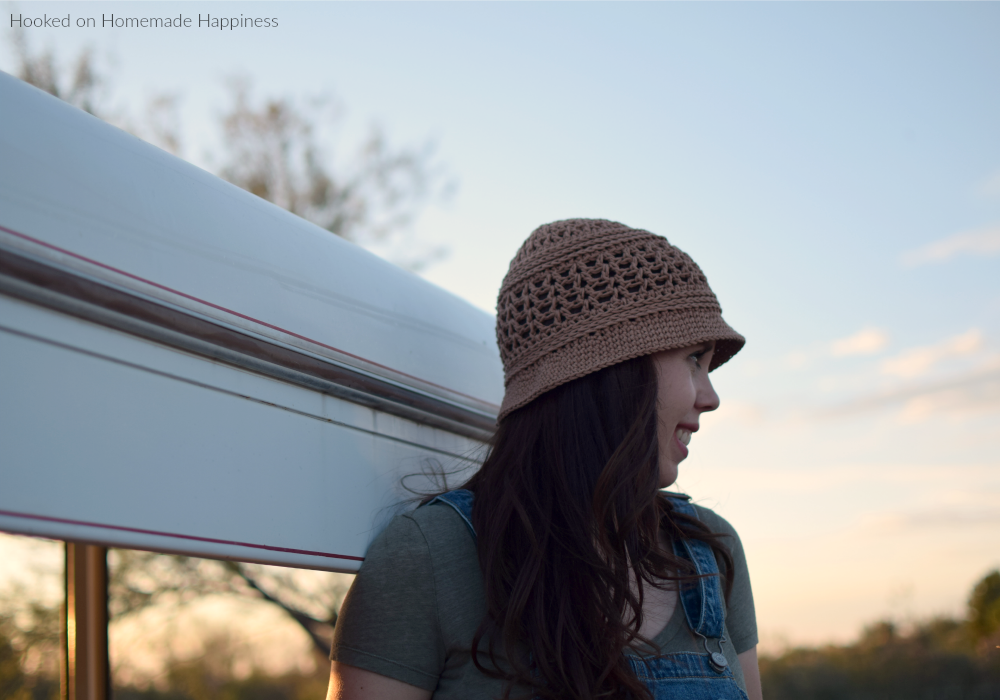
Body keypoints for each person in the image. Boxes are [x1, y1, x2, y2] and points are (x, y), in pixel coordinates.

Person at [327, 219, 763, 700]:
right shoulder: (429, 558)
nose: (711, 397)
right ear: (611, 368)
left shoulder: (709, 556)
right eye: (694, 359)